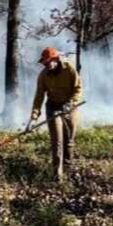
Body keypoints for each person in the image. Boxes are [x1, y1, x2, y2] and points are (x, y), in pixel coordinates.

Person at [31, 47, 83, 181]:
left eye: (48, 62)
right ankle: (57, 176)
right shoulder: (43, 75)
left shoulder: (69, 69)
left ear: (55, 59)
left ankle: (68, 169)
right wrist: (34, 117)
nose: (46, 65)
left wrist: (71, 103)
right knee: (57, 142)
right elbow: (39, 96)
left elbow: (78, 88)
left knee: (69, 141)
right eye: (44, 63)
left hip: (70, 107)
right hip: (53, 107)